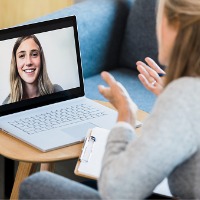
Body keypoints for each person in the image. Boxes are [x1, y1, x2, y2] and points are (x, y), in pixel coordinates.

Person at [19, 0, 200, 199]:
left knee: (36, 185)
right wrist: (172, 99)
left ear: (173, 25)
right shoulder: (187, 94)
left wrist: (125, 117)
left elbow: (116, 191)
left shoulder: (184, 96)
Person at [2, 35, 63, 104]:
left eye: (34, 54)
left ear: (41, 59)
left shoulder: (57, 91)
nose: (28, 62)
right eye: (22, 56)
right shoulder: (6, 104)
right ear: (15, 62)